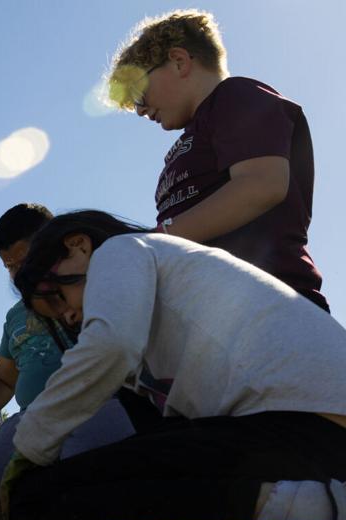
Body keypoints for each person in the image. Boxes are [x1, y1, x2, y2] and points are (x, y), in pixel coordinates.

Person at [2, 211, 346, 520]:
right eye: (59, 316)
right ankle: (292, 502)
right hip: (290, 437)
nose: (70, 315)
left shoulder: (121, 251)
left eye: (59, 297)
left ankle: (315, 507)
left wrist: (28, 447)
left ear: (78, 245)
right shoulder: (149, 338)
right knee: (63, 491)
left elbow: (110, 345)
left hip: (316, 429)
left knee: (40, 496)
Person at [106, 9, 327, 311]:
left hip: (273, 304)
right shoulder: (190, 140)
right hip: (220, 314)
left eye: (138, 93)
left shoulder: (235, 95)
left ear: (179, 61)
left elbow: (263, 184)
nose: (141, 110)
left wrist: (156, 241)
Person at [0, 203, 133, 505]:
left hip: (101, 401)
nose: (18, 275)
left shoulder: (86, 287)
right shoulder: (15, 318)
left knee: (77, 461)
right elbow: (3, 378)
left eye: (24, 260)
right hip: (35, 414)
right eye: (9, 267)